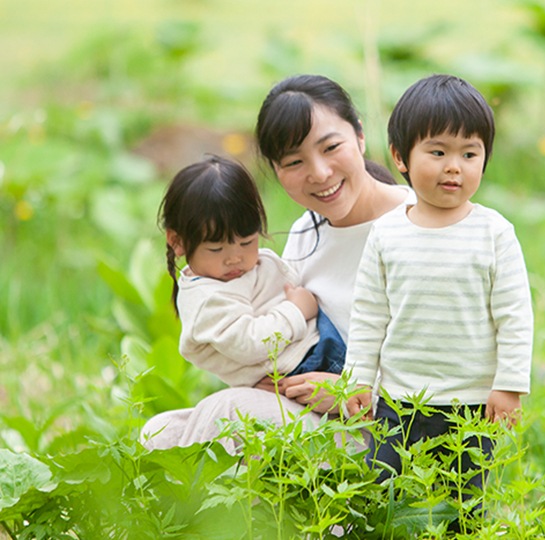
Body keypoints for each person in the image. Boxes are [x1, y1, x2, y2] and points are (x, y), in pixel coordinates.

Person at [140, 75, 413, 452]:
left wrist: (352, 390)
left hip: (392, 430)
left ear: (360, 137)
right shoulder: (306, 233)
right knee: (161, 432)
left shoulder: (416, 228)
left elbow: (450, 359)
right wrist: (264, 380)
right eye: (295, 161)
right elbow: (272, 326)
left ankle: (194, 511)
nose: (319, 173)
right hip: (316, 414)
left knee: (229, 413)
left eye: (331, 147)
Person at [344, 74, 534, 492]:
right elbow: (369, 314)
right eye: (438, 151)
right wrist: (358, 378)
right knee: (388, 496)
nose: (454, 166)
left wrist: (508, 385)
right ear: (400, 157)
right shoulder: (387, 233)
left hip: (471, 404)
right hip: (398, 402)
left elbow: (514, 316)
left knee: (462, 506)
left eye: (469, 153)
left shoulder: (495, 233)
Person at [159, 154, 347, 389]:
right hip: (306, 364)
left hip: (314, 346)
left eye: (247, 242)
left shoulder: (246, 269)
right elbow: (250, 343)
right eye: (216, 249)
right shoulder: (207, 300)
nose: (235, 258)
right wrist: (296, 310)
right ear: (178, 241)